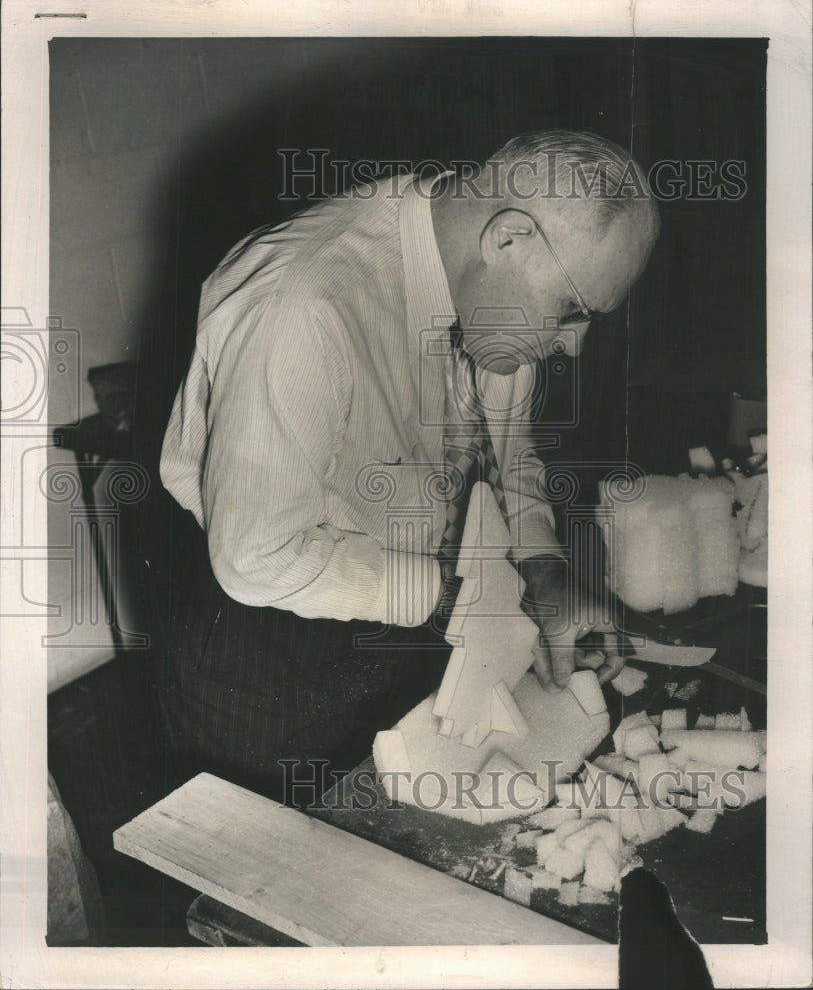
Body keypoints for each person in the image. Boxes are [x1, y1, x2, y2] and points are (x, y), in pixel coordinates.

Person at [157, 130, 660, 802]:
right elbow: (256, 558)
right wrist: (466, 602)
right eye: (572, 310)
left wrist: (540, 569)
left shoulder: (483, 285)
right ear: (508, 239)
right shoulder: (302, 307)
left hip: (409, 595)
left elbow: (511, 449)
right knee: (273, 866)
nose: (572, 343)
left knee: (401, 816)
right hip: (266, 630)